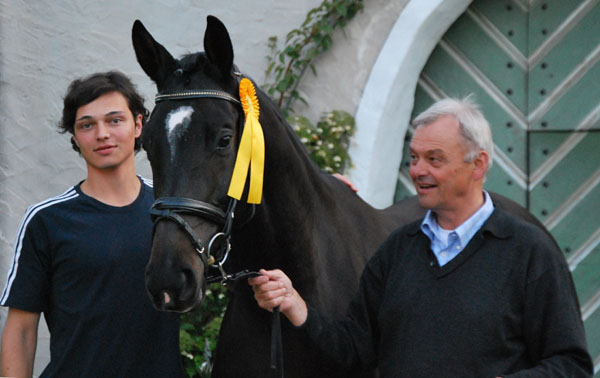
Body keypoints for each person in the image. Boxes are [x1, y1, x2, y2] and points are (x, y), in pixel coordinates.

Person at [249, 96, 593, 377]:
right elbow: (354, 350)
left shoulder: (529, 252)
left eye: (434, 159)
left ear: (478, 165)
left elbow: (571, 365)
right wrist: (297, 306)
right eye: (414, 158)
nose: (418, 171)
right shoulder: (398, 250)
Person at [0, 71, 183, 377]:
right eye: (87, 125)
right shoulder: (47, 220)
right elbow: (21, 330)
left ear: (138, 125)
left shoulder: (170, 209)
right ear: (75, 137)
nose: (102, 134)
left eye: (115, 120)